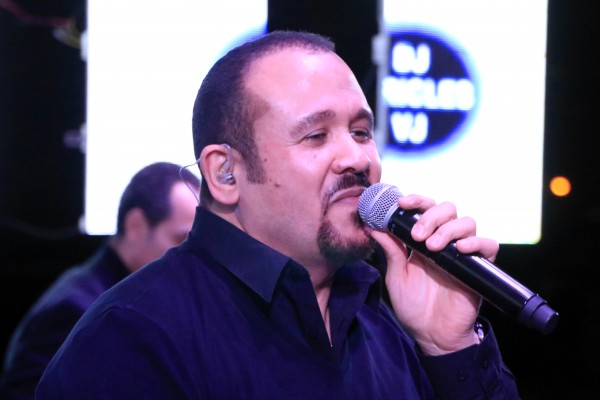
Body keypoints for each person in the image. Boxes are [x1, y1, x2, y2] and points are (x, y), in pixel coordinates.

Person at [36, 31, 519, 399]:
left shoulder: (384, 324)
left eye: (361, 132)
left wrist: (448, 347)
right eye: (316, 136)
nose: (357, 158)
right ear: (225, 173)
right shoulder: (132, 337)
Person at [0, 161, 200, 400]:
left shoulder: (111, 300)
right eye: (181, 240)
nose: (191, 257)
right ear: (136, 226)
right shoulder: (73, 310)